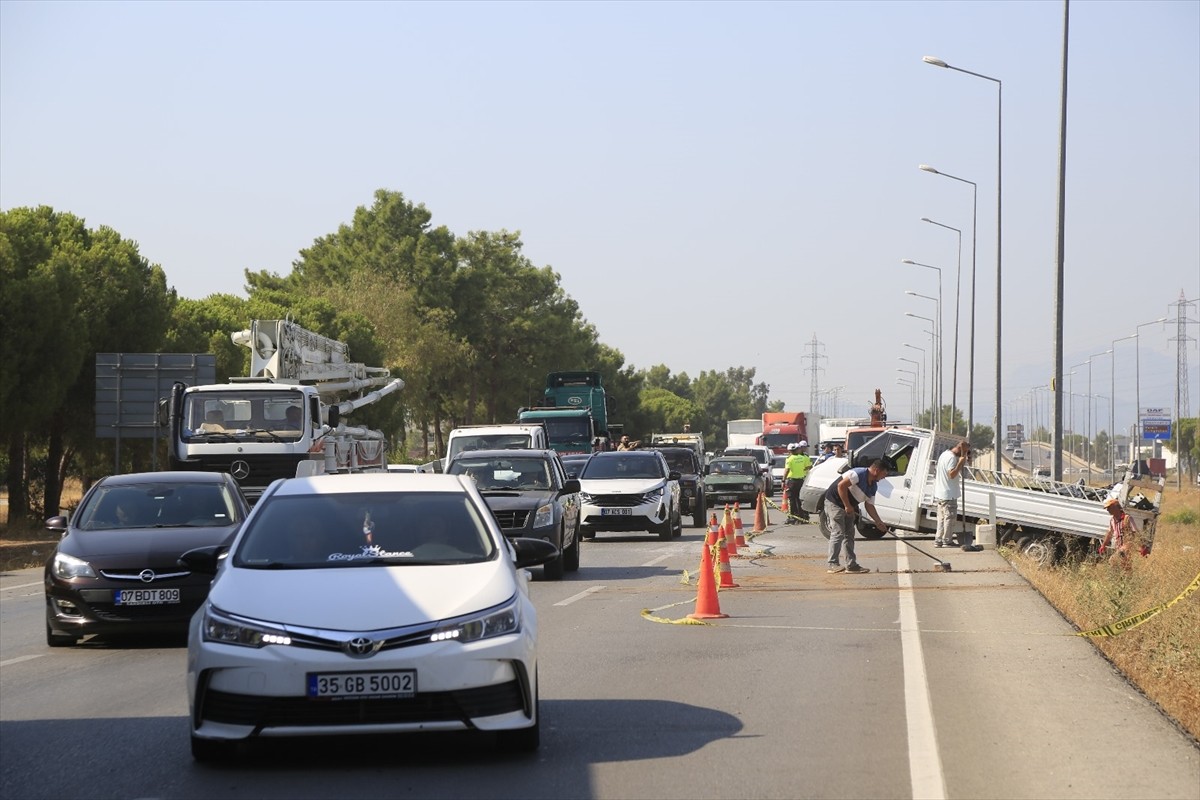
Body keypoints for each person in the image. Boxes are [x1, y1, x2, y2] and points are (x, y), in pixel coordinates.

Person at [823, 458, 889, 574]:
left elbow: (870, 506)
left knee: (849, 534)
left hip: (850, 506)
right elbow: (841, 486)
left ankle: (851, 565)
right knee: (838, 532)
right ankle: (832, 564)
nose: (884, 477)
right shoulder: (858, 474)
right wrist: (847, 505)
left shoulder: (873, 486)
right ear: (877, 470)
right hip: (835, 503)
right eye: (884, 474)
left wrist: (878, 522)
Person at [934, 440, 970, 548]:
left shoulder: (944, 454)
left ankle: (938, 539)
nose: (965, 455)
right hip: (949, 493)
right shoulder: (952, 458)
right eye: (965, 452)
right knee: (949, 518)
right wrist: (960, 462)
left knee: (941, 518)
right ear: (960, 449)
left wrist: (963, 459)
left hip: (941, 492)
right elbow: (951, 474)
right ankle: (947, 541)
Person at [1100, 496, 1142, 569]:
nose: (1107, 510)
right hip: (1118, 546)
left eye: (1109, 508)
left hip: (1127, 546)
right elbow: (1109, 533)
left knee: (1112, 560)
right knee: (1125, 566)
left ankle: (1115, 578)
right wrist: (1103, 545)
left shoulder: (1127, 518)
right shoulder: (1112, 520)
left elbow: (1136, 533)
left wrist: (1142, 546)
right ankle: (1125, 579)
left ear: (1115, 507)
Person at [783, 441, 813, 523]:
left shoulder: (789, 459)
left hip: (792, 481)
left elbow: (787, 470)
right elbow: (809, 467)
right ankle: (803, 516)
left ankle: (793, 517)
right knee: (800, 499)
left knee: (792, 500)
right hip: (802, 481)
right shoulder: (803, 457)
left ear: (789, 451)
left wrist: (783, 480)